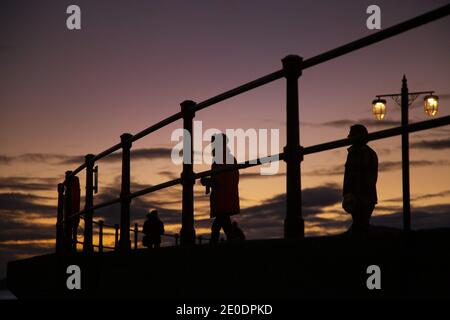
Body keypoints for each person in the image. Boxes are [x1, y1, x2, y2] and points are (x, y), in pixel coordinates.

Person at [201, 133, 240, 244]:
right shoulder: (226, 158)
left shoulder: (222, 159)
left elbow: (220, 180)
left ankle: (215, 243)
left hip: (223, 197)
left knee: (217, 225)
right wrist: (209, 181)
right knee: (224, 223)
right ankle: (232, 239)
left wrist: (208, 181)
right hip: (224, 197)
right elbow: (223, 179)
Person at [342, 124, 378, 236]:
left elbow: (358, 176)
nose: (349, 137)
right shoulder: (363, 153)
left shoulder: (361, 153)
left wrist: (350, 195)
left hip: (361, 197)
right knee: (361, 225)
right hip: (362, 197)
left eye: (351, 134)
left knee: (360, 226)